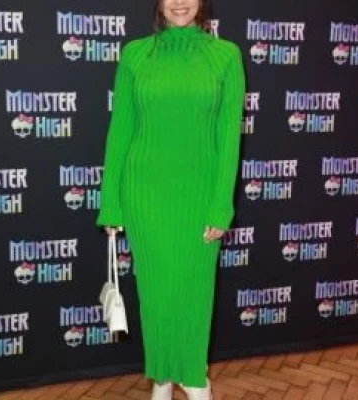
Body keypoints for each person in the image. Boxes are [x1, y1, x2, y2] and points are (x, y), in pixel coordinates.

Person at [96, 0, 246, 398]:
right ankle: (162, 377)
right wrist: (110, 201)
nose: (180, 2)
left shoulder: (225, 55)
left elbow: (229, 139)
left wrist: (221, 205)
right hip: (145, 195)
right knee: (156, 293)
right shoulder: (135, 55)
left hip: (199, 196)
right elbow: (120, 130)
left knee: (195, 292)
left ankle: (194, 377)